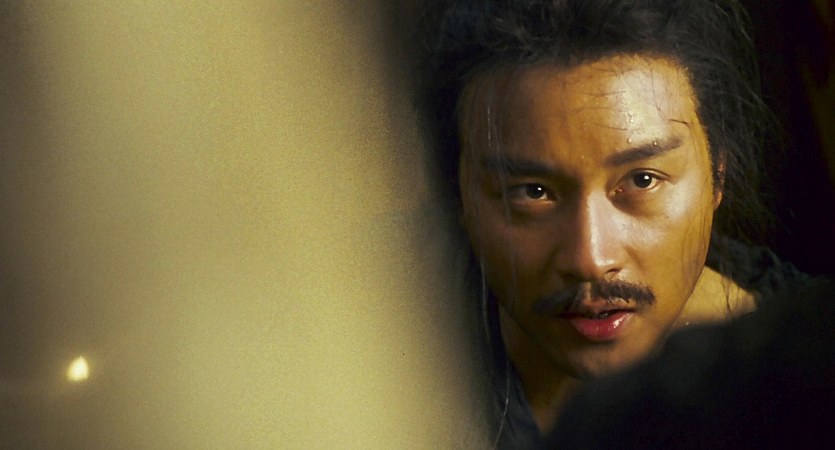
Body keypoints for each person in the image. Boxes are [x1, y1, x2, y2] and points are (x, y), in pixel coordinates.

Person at [416, 0, 809, 447]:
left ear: (718, 174)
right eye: (532, 192)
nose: (590, 259)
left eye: (642, 180)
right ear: (459, 193)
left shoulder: (812, 371)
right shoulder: (380, 365)